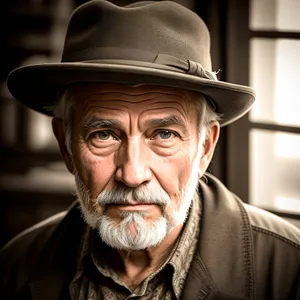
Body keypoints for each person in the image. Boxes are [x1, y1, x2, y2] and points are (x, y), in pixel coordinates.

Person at [1, 1, 299, 299]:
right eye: (104, 134)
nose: (132, 174)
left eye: (164, 134)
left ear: (205, 147)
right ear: (66, 145)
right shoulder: (15, 266)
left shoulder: (290, 269)